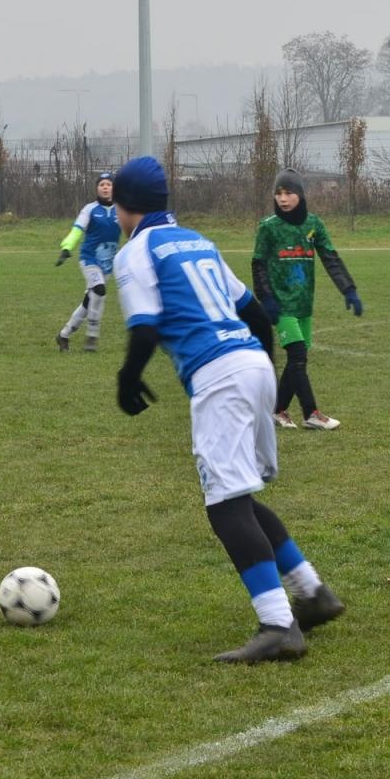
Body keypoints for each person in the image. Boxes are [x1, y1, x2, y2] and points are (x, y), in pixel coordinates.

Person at [112, 155, 345, 664]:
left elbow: (146, 326)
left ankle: (279, 625)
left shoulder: (134, 253)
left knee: (223, 505)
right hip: (252, 364)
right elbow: (254, 312)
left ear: (124, 205)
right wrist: (260, 364)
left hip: (220, 374)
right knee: (240, 497)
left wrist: (128, 378)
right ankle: (311, 594)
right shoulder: (197, 240)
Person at [250, 168, 363, 431]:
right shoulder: (269, 228)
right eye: (278, 193)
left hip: (304, 304)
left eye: (288, 192)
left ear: (300, 194)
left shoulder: (313, 225)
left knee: (296, 360)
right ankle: (311, 413)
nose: (283, 198)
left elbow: (330, 257)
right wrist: (266, 297)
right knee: (298, 355)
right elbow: (258, 265)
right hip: (282, 305)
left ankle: (277, 410)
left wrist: (348, 289)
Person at [55, 171, 120, 352]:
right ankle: (92, 336)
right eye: (101, 185)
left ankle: (64, 335)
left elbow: (134, 230)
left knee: (88, 301)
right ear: (97, 189)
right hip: (89, 259)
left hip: (107, 264)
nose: (105, 187)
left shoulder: (122, 209)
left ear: (114, 188)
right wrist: (67, 248)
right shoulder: (90, 209)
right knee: (99, 291)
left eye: (108, 184)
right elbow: (77, 229)